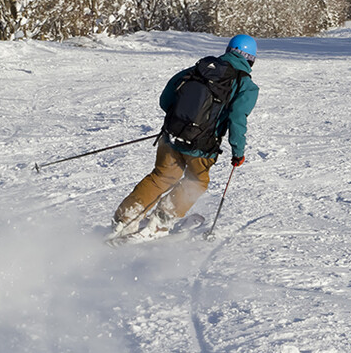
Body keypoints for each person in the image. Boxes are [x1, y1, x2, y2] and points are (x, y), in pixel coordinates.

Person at [111, 34, 260, 238]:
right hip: (202, 146)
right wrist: (238, 151)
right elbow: (237, 119)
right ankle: (160, 221)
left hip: (171, 136)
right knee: (196, 182)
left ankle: (124, 218)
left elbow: (166, 99)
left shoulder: (199, 68)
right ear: (251, 58)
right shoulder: (245, 84)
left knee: (162, 176)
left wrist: (181, 121)